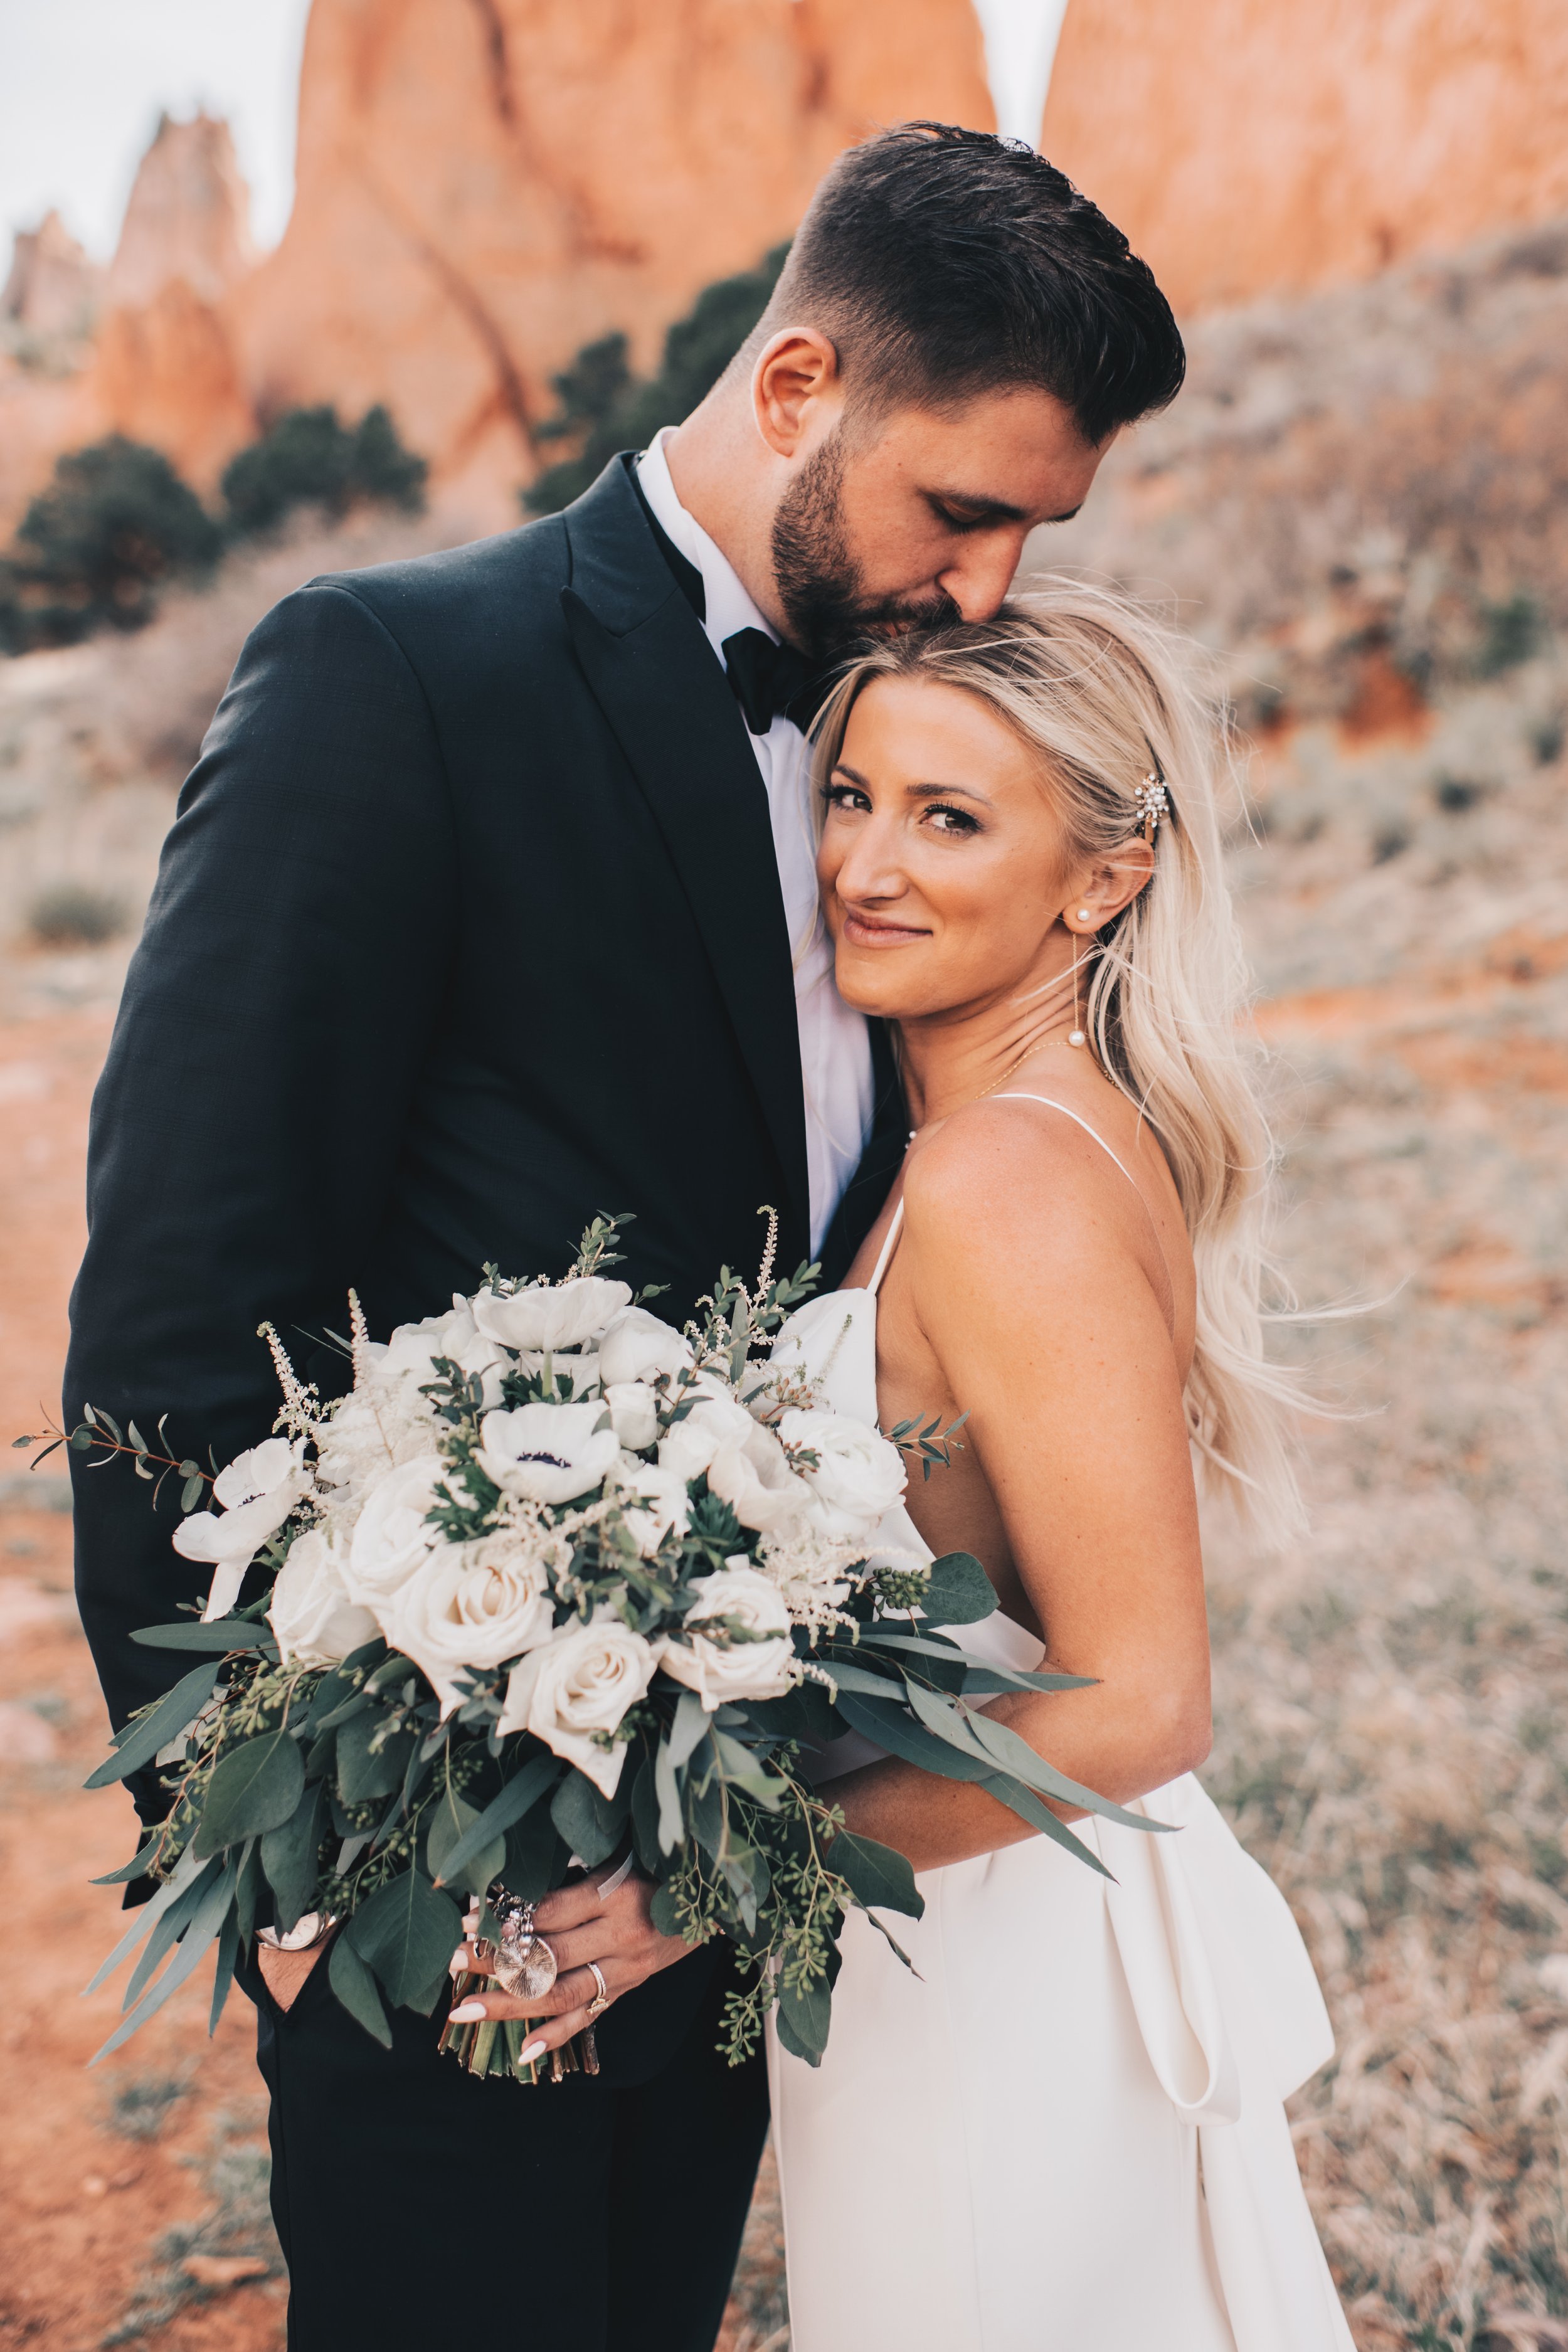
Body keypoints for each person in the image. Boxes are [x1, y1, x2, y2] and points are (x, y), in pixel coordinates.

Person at [65, 126, 1184, 2350]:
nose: (985, 587)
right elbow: (183, 1289)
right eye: (960, 509)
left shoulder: (930, 747)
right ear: (794, 388)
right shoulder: (396, 679)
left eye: (1033, 536)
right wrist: (269, 1857)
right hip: (442, 1851)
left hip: (755, 1847)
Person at [762, 592, 1355, 2351]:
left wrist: (722, 1870)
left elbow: (1138, 1705)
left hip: (1000, 1955)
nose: (865, 863)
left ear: (1100, 878)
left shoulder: (999, 1178)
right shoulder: (997, 1125)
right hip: (972, 1911)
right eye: (851, 795)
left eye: (950, 819)